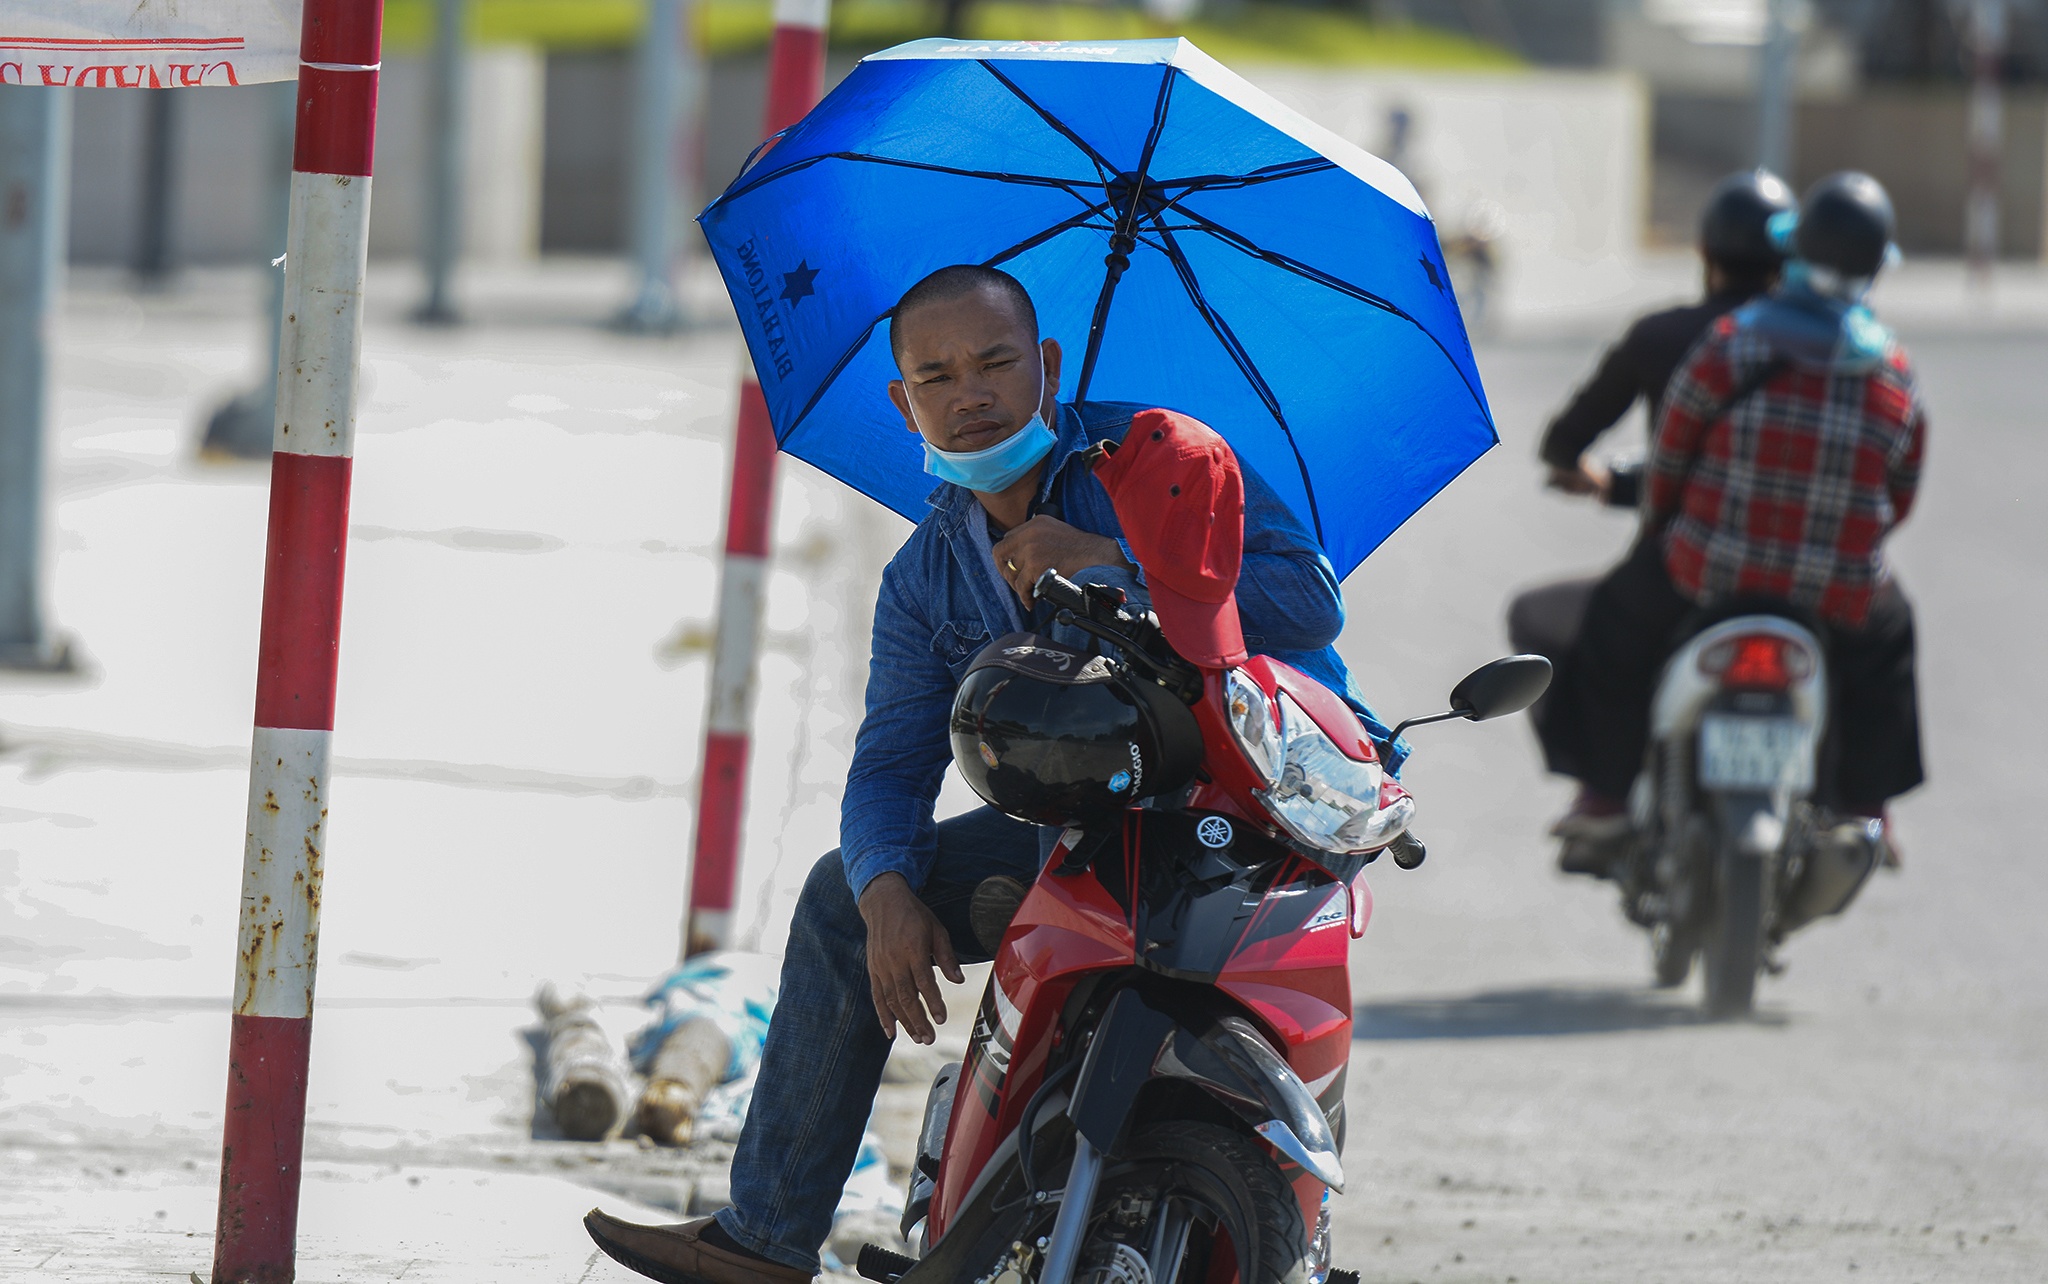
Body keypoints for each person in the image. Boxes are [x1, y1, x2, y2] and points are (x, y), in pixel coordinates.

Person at [584, 264, 1399, 1284]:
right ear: (904, 402)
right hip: (1077, 836)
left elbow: (1305, 599)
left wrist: (1109, 556)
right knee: (840, 895)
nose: (968, 394)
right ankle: (767, 1239)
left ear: (1046, 367)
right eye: (936, 375)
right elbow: (888, 761)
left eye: (994, 363)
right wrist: (886, 890)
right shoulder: (925, 576)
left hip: (1245, 813)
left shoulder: (1156, 455)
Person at [1541, 172, 1927, 871]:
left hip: (1705, 570)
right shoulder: (1892, 371)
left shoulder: (1730, 344)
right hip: (1835, 589)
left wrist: (1662, 525)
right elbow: (1899, 493)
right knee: (1889, 638)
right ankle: (1865, 809)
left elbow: (1675, 463)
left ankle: (1602, 796)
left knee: (1613, 629)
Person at [1512, 171, 1796, 780]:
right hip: (1807, 573)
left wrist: (1598, 478)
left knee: (1573, 630)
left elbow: (1580, 448)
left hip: (1685, 566)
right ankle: (1862, 802)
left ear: (1705, 252)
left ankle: (1605, 791)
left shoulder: (1673, 338)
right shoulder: (1821, 352)